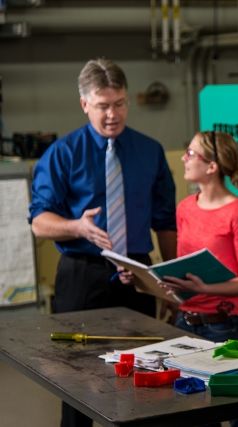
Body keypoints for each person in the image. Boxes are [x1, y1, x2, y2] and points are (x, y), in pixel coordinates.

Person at [29, 58, 177, 427]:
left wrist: (167, 282)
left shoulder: (150, 151)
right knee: (76, 377)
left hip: (138, 271)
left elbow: (165, 221)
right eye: (103, 106)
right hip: (83, 273)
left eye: (120, 103)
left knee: (145, 374)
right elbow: (39, 223)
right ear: (84, 104)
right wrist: (78, 227)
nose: (113, 114)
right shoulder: (63, 154)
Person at [161, 131, 238, 427]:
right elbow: (184, 270)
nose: (183, 158)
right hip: (186, 323)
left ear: (212, 166)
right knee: (196, 414)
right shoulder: (185, 208)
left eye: (191, 154)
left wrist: (206, 288)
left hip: (227, 327)